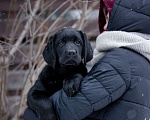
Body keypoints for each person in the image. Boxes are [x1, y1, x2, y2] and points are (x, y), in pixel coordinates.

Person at [24, 0, 150, 119]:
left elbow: (70, 107)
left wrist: (31, 115)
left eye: (109, 18)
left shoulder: (120, 61)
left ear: (125, 20)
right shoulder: (141, 57)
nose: (71, 50)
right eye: (62, 43)